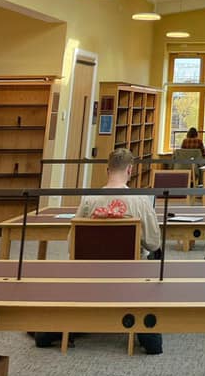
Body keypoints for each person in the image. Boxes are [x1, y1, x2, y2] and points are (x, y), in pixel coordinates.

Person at [34, 149, 163, 354]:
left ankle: (65, 323)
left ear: (107, 170)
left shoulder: (88, 200)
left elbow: (72, 244)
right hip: (129, 278)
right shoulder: (140, 201)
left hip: (89, 278)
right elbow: (154, 243)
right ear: (130, 170)